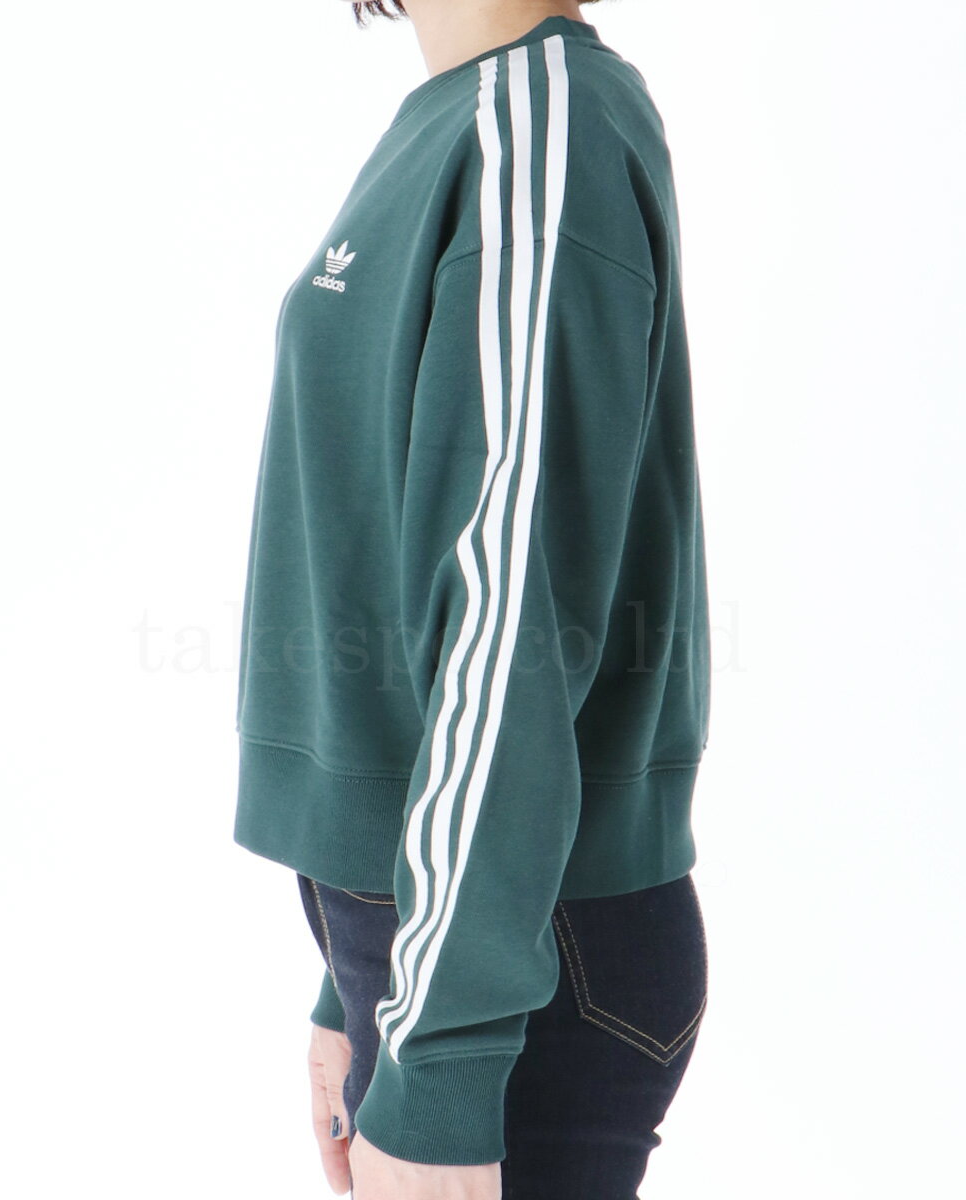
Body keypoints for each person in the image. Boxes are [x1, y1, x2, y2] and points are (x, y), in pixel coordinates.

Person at [231, 2, 713, 1196]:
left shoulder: (542, 124)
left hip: (523, 974)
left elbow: (509, 628)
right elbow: (407, 571)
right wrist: (353, 980)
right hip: (441, 944)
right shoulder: (463, 116)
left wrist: (440, 1055)